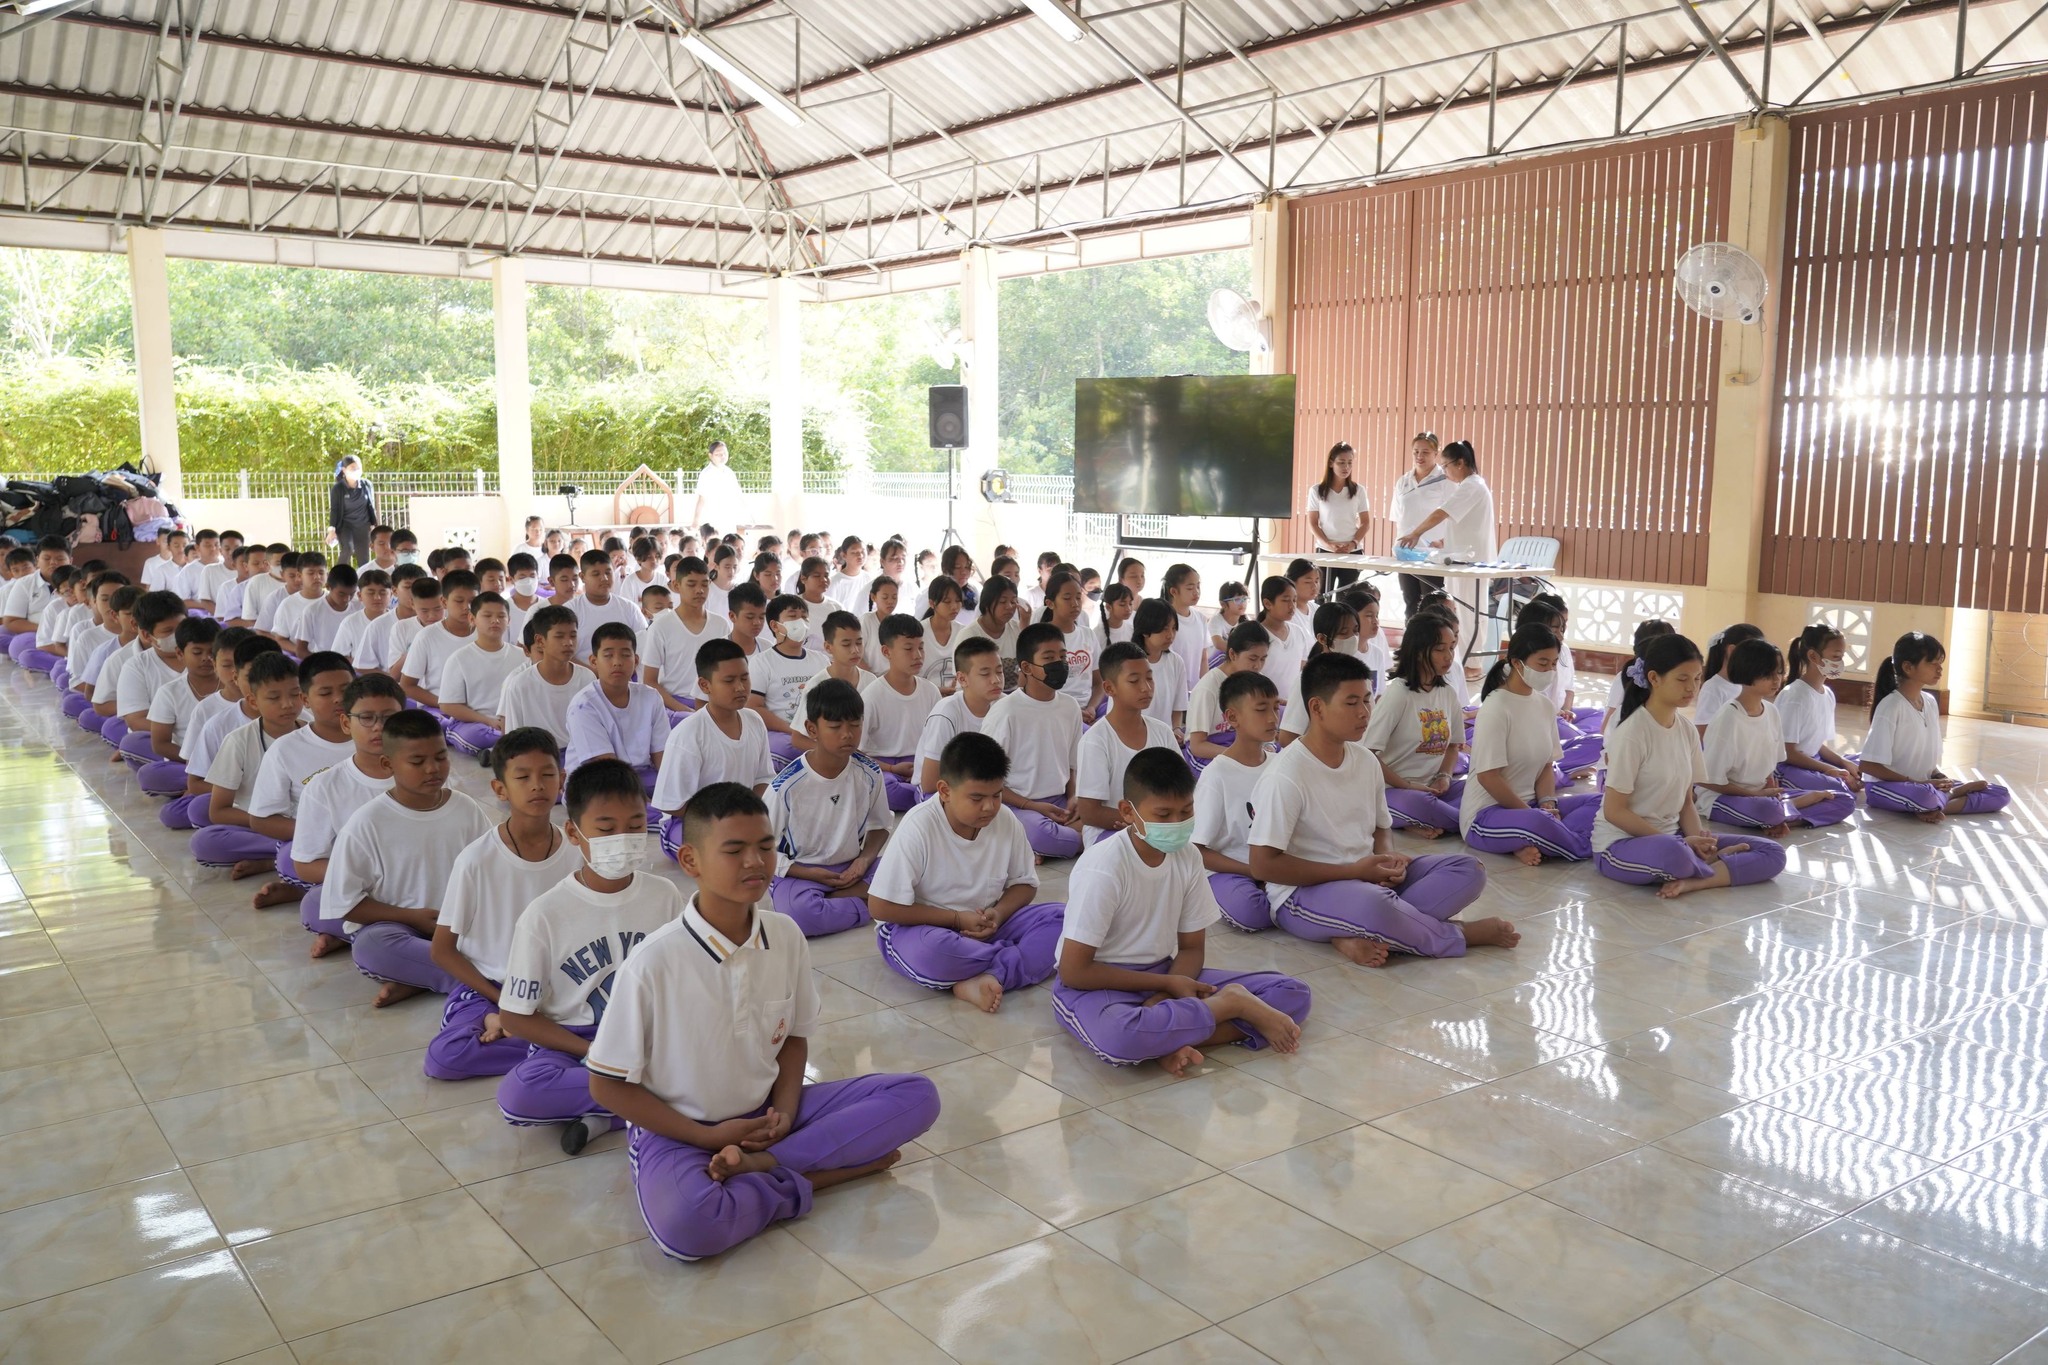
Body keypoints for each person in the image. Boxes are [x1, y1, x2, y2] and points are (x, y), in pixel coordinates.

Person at [584, 781, 938, 1261]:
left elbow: (793, 1038)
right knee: (687, 1228)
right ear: (690, 861)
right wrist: (707, 1137)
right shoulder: (652, 963)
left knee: (917, 1096)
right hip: (683, 1130)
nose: (755, 862)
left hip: (768, 1115)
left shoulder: (785, 934)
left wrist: (785, 1115)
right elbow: (606, 1085)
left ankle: (765, 1164)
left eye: (766, 847)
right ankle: (822, 1174)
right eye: (734, 851)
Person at [1053, 747, 1309, 1077]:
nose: (1177, 824)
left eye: (1186, 811)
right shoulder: (1104, 867)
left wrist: (1166, 994)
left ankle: (1168, 1040)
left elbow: (1191, 949)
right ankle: (1228, 1005)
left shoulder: (1187, 856)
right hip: (1098, 985)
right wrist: (1168, 986)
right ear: (1128, 812)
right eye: (1163, 815)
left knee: (1292, 994)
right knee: (1120, 1037)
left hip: (1167, 974)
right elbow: (1074, 972)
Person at [1250, 652, 1504, 965]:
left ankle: (1359, 931)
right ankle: (1457, 935)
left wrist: (1386, 859)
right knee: (1375, 904)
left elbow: (1382, 827)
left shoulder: (1365, 760)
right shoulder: (1285, 775)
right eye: (1351, 703)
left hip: (1366, 878)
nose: (1364, 712)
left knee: (1467, 870)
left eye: (1367, 700)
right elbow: (1262, 866)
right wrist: (1352, 872)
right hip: (1302, 893)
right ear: (1316, 708)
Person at [494, 756, 686, 1154]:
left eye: (635, 825)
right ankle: (653, 1102)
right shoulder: (545, 915)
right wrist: (592, 1052)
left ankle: (609, 1113)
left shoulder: (664, 895)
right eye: (607, 829)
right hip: (575, 1043)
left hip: (649, 1036)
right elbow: (514, 1016)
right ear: (574, 833)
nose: (623, 838)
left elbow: (684, 979)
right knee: (520, 1094)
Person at [429, 728, 584, 1084]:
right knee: (447, 1057)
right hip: (492, 986)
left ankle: (549, 1042)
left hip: (557, 987)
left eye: (547, 775)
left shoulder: (577, 851)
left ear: (562, 780)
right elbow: (442, 950)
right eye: (523, 777)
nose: (537, 786)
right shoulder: (476, 860)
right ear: (500, 789)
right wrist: (502, 1003)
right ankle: (567, 1047)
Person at [869, 731, 1065, 1013]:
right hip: (926, 928)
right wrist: (956, 919)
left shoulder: (1006, 819)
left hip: (986, 923)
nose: (990, 807)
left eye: (997, 795)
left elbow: (1025, 884)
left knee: (1065, 920)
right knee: (933, 953)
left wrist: (999, 913)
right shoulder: (919, 826)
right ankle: (1011, 960)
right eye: (976, 798)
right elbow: (880, 906)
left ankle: (988, 974)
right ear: (944, 791)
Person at [1594, 633, 1788, 896]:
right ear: (1654, 678)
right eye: (1682, 679)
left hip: (1675, 838)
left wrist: (1701, 842)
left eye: (1697, 679)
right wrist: (1682, 843)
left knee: (1772, 852)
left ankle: (1698, 877)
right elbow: (1614, 811)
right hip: (1622, 843)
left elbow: (1686, 802)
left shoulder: (1686, 730)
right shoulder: (1632, 733)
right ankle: (1711, 864)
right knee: (1675, 855)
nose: (1692, 688)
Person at [324, 709, 495, 1006]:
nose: (432, 769)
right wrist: (412, 917)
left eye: (440, 758)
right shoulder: (366, 823)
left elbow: (491, 872)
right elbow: (345, 905)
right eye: (417, 762)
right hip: (401, 928)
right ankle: (486, 985)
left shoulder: (466, 808)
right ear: (387, 764)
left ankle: (425, 978)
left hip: (461, 926)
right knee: (373, 946)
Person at [291, 674, 407, 958]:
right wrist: (372, 877)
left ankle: (374, 936)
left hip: (422, 886)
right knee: (315, 904)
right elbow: (305, 864)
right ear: (346, 723)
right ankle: (400, 932)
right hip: (364, 890)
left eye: (389, 717)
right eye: (366, 718)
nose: (378, 727)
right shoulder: (325, 786)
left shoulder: (428, 776)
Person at [1462, 623, 1600, 863]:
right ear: (1517, 663)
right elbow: (1488, 777)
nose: (1550, 671)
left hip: (1532, 807)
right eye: (1543, 663)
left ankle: (1534, 839)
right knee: (1540, 822)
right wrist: (1532, 814)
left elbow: (1546, 766)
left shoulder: (1544, 706)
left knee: (1599, 802)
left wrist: (1547, 803)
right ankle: (1585, 846)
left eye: (1554, 664)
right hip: (1486, 815)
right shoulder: (1496, 707)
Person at [765, 680, 893, 937]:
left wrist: (863, 861)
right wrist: (809, 873)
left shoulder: (869, 772)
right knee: (798, 916)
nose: (847, 734)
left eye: (855, 725)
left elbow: (881, 826)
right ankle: (874, 904)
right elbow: (761, 848)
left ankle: (841, 900)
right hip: (801, 873)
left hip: (853, 869)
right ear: (812, 729)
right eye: (835, 727)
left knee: (916, 877)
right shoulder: (786, 785)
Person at [1698, 638, 1855, 833]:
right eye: (1767, 674)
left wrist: (1771, 793)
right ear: (1746, 672)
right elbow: (1707, 780)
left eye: (1779, 672)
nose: (1776, 680)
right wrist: (1755, 795)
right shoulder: (1728, 717)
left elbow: (1770, 768)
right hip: (1724, 797)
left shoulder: (1771, 711)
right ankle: (1782, 812)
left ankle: (1782, 818)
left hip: (1762, 794)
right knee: (1768, 809)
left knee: (1843, 799)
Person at [1861, 631, 2011, 821]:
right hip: (1886, 787)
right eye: (1932, 663)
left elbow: (1926, 764)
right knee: (1924, 796)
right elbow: (1868, 766)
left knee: (1999, 794)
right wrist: (1917, 783)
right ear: (1908, 667)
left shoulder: (1930, 702)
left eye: (1940, 663)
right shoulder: (1891, 706)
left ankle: (1934, 805)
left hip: (1925, 785)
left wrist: (1939, 778)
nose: (1939, 669)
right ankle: (1943, 799)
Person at [192, 651, 306, 897]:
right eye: (274, 697)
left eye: (295, 694)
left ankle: (275, 860)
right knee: (205, 841)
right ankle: (283, 856)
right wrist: (270, 823)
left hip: (311, 827)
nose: (288, 704)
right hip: (264, 828)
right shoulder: (239, 741)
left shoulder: (312, 733)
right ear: (253, 701)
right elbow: (219, 810)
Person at [653, 638, 773, 860]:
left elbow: (763, 779)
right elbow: (672, 804)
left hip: (739, 818)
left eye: (744, 678)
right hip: (688, 822)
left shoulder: (754, 721)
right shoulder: (689, 733)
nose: (740, 687)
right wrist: (724, 820)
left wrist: (748, 815)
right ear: (704, 685)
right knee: (725, 854)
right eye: (729, 680)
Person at [983, 623, 1086, 858]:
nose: (1059, 664)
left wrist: (1074, 797)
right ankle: (1066, 840)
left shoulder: (1070, 706)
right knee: (1043, 834)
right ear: (1027, 667)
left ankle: (1036, 845)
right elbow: (988, 780)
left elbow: (1072, 766)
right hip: (1017, 804)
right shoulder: (1005, 712)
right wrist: (1031, 805)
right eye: (1049, 658)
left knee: (1102, 812)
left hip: (1059, 802)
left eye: (1062, 657)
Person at [1194, 670, 1283, 931]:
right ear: (1232, 717)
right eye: (1261, 709)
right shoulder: (1217, 774)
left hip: (1275, 866)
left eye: (1276, 708)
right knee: (1250, 912)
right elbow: (1197, 850)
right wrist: (1255, 871)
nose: (1273, 718)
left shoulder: (1280, 766)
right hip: (1231, 869)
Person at [1363, 612, 1465, 834]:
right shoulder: (1399, 694)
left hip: (1432, 789)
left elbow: (1453, 746)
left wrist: (1444, 777)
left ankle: (1423, 821)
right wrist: (1407, 786)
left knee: (1478, 790)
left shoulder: (1448, 693)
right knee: (1422, 804)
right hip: (1394, 790)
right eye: (1440, 649)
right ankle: (1472, 824)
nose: (1448, 656)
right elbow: (1367, 754)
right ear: (1419, 652)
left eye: (1451, 648)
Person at [1074, 643, 1181, 846]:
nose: (1146, 687)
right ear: (1109, 688)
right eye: (1134, 681)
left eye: (1149, 678)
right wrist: (1146, 825)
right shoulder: (1096, 740)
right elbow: (1089, 812)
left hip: (1159, 828)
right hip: (1109, 835)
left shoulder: (1163, 732)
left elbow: (1180, 787)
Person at [1396, 439, 1495, 654]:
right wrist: (1444, 542)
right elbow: (1464, 523)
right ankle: (1460, 657)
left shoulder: (1472, 486)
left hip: (1471, 562)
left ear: (1460, 463)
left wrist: (1416, 533)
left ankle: (1471, 661)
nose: (1445, 471)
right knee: (1460, 610)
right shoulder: (1469, 485)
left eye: (1446, 466)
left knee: (1468, 612)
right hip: (1461, 559)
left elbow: (1441, 513)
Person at [564, 621, 667, 794]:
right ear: (594, 661)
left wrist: (670, 794)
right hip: (598, 782)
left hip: (641, 776)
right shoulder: (584, 706)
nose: (617, 662)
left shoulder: (651, 697)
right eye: (608, 655)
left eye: (625, 655)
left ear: (636, 660)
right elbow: (606, 767)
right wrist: (647, 804)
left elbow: (661, 756)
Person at [860, 615, 940, 812]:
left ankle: (925, 795)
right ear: (886, 651)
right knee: (887, 790)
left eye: (921, 647)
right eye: (908, 648)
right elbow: (855, 752)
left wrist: (924, 767)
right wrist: (891, 768)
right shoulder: (872, 695)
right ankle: (926, 798)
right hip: (885, 767)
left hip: (924, 763)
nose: (918, 655)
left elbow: (940, 740)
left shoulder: (930, 691)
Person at [1777, 623, 1864, 803]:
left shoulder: (1828, 694)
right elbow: (1788, 753)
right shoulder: (1795, 696)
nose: (1840, 662)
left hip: (1812, 760)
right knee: (1840, 792)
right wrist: (1828, 769)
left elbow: (1816, 745)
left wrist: (1843, 763)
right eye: (1836, 656)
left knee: (1864, 763)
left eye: (1842, 657)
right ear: (1813, 656)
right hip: (1788, 767)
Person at [139, 616, 222, 798]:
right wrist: (198, 763)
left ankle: (210, 792)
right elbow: (160, 744)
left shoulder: (234, 687)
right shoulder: (169, 692)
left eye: (211, 652)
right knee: (151, 775)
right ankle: (211, 790)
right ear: (180, 653)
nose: (206, 658)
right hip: (187, 762)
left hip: (233, 763)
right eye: (197, 652)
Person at [914, 634, 1002, 795]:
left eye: (999, 671)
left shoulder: (1004, 706)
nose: (996, 680)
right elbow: (929, 784)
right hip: (940, 792)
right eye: (985, 674)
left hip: (984, 789)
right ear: (962, 679)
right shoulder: (946, 713)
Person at [498, 605, 594, 751]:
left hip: (580, 754)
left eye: (573, 635)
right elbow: (514, 738)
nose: (568, 642)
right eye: (559, 636)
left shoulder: (587, 677)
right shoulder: (520, 685)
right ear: (540, 641)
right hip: (539, 757)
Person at [439, 591, 523, 757]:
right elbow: (448, 705)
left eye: (501, 616)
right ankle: (511, 748)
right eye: (487, 615)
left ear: (509, 621)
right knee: (475, 736)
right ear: (472, 619)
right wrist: (489, 721)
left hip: (512, 722)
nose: (495, 620)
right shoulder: (459, 658)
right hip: (475, 723)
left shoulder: (522, 657)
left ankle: (498, 751)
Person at [642, 556, 727, 714]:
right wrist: (683, 710)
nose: (699, 590)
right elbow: (650, 680)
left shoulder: (721, 625)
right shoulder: (661, 627)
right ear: (676, 585)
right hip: (674, 706)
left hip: (714, 705)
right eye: (691, 584)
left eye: (704, 584)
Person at [751, 595, 824, 767]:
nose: (801, 622)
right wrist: (792, 730)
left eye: (804, 617)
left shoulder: (820, 660)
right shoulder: (762, 662)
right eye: (792, 616)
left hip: (817, 731)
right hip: (782, 733)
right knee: (794, 749)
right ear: (775, 625)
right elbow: (754, 706)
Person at [1185, 622, 1270, 767]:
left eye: (1263, 659)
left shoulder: (1257, 682)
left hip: (1240, 747)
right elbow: (1197, 746)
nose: (1258, 666)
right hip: (1208, 753)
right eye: (1252, 658)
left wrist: (1267, 746)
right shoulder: (1208, 688)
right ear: (1232, 654)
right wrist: (1238, 755)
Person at [397, 569, 478, 716]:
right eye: (459, 601)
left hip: (481, 710)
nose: (466, 607)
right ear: (444, 602)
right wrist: (447, 704)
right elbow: (407, 686)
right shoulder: (426, 637)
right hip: (439, 710)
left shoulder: (487, 633)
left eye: (472, 601)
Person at [1388, 431, 1450, 616]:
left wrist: (1444, 542)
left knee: (1432, 603)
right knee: (1410, 602)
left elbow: (1454, 515)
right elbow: (1398, 517)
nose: (1419, 456)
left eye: (1425, 452)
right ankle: (1411, 635)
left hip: (1431, 553)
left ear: (1436, 453)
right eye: (1416, 452)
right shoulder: (1403, 481)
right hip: (1405, 552)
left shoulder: (1445, 480)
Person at [1040, 570, 1103, 715]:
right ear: (1050, 603)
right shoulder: (1041, 637)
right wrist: (1073, 712)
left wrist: (1092, 708)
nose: (1075, 604)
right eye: (1067, 598)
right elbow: (1032, 687)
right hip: (1055, 712)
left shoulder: (1088, 635)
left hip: (1088, 710)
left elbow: (1098, 683)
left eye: (1078, 597)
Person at [1693, 624, 1766, 739]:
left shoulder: (1746, 686)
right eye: (1754, 653)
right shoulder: (1713, 688)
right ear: (1732, 650)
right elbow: (1703, 731)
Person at [1255, 576, 1306, 706]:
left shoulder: (1298, 632)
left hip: (1291, 705)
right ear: (1267, 603)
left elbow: (1302, 668)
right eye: (1285, 600)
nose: (1292, 606)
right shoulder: (1256, 635)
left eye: (1294, 600)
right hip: (1263, 705)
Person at [328, 455, 377, 565]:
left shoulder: (367, 485)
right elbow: (334, 510)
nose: (356, 471)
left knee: (364, 557)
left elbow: (371, 506)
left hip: (363, 525)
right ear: (344, 470)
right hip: (346, 525)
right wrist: (331, 530)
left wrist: (374, 525)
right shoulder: (338, 488)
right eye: (353, 468)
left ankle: (364, 575)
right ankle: (338, 573)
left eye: (358, 468)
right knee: (348, 548)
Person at [918, 576, 964, 693]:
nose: (954, 606)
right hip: (925, 696)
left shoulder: (963, 633)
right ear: (932, 603)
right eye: (947, 602)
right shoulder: (918, 632)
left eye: (958, 601)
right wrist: (938, 691)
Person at [689, 439, 745, 531]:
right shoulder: (706, 474)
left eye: (724, 453)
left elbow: (738, 496)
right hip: (711, 519)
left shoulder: (729, 472)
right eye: (718, 454)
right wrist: (696, 520)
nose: (722, 456)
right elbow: (701, 498)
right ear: (710, 456)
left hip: (729, 518)